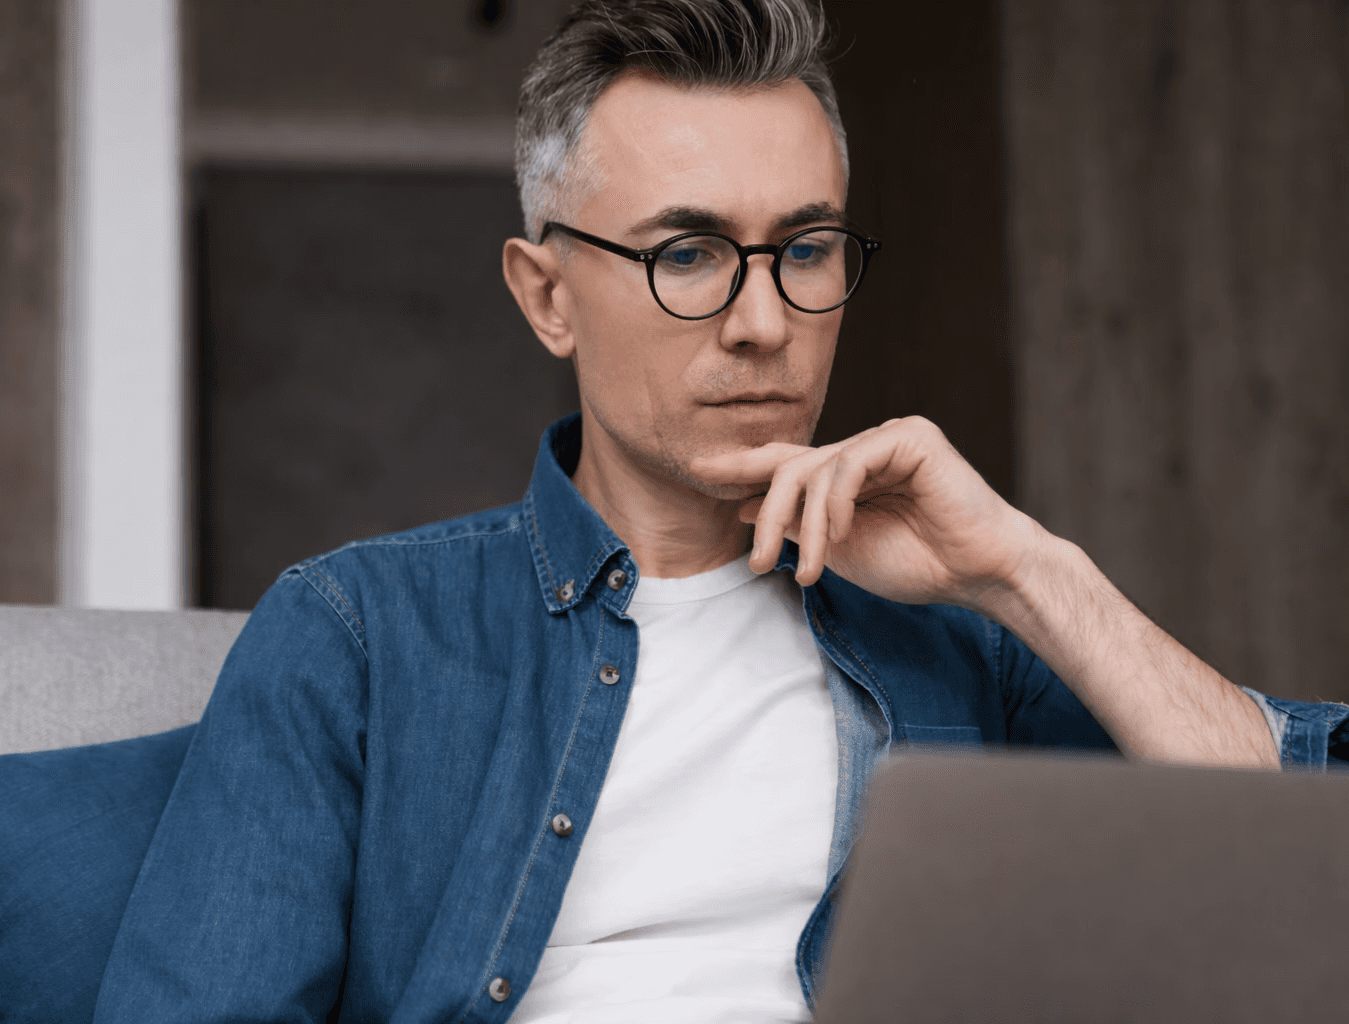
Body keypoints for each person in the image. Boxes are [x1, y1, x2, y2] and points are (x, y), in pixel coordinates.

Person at [93, 1, 1348, 1021]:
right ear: (547, 297)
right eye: (684, 254)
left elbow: (1308, 868)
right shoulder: (361, 633)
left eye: (803, 248)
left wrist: (1026, 570)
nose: (762, 322)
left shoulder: (967, 644)